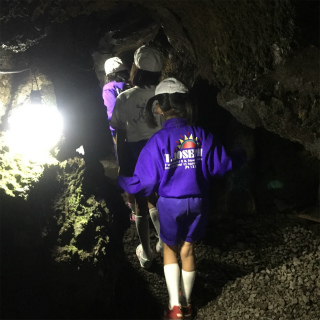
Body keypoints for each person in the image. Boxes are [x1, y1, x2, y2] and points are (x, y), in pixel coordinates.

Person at [117, 78, 246, 320]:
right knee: (188, 249)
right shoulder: (202, 135)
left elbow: (144, 182)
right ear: (186, 104)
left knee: (169, 248)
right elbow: (221, 165)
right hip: (198, 202)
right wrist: (239, 155)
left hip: (169, 204)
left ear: (157, 108)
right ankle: (187, 304)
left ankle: (175, 306)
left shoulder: (157, 142)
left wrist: (123, 181)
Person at [110, 45, 165, 268]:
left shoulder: (124, 98)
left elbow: (119, 132)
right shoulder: (163, 96)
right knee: (156, 198)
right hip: (160, 153)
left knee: (140, 203)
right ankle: (164, 243)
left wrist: (122, 164)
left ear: (136, 69)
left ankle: (147, 254)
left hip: (136, 154)